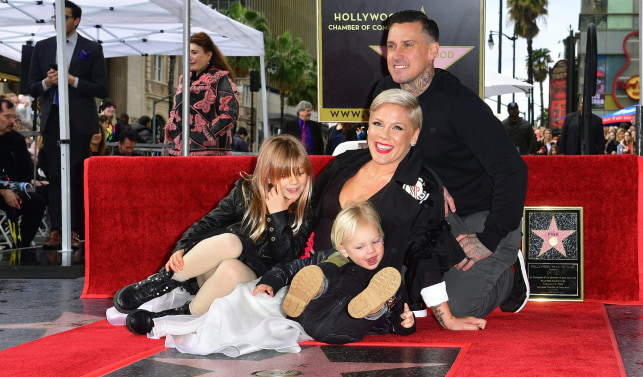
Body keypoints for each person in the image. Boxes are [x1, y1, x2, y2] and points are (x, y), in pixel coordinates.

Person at [373, 11, 529, 322]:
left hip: (479, 218)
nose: (397, 55)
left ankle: (510, 274)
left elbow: (513, 170)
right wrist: (428, 179)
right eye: (391, 46)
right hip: (427, 217)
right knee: (390, 289)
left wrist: (489, 237)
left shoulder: (459, 103)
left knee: (457, 307)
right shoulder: (383, 93)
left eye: (408, 45)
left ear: (432, 51)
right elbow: (382, 157)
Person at [312, 89, 485, 330]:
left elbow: (427, 252)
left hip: (367, 291)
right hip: (314, 277)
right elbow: (308, 217)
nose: (384, 136)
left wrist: (447, 319)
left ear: (414, 135)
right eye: (377, 123)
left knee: (333, 324)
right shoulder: (344, 164)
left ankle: (509, 276)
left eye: (397, 128)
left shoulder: (421, 186)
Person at [113, 134, 314, 335]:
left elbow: (287, 260)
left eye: (300, 172)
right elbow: (209, 223)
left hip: (254, 285)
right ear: (268, 175)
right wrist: (181, 247)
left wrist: (277, 215)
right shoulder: (246, 192)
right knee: (230, 242)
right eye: (285, 174)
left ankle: (182, 315)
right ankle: (161, 282)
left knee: (231, 269)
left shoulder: (305, 212)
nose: (294, 181)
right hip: (208, 274)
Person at [255, 201, 416, 344]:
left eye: (375, 241)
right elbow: (291, 268)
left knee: (370, 309)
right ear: (344, 249)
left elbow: (398, 314)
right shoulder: (332, 257)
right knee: (330, 268)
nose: (371, 251)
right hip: (311, 313)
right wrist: (272, 280)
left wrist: (405, 322)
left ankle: (373, 309)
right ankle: (319, 287)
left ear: (382, 238)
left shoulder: (387, 280)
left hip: (344, 328)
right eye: (360, 247)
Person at [27, 0, 108, 249]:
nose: (58, 21)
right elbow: (30, 87)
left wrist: (73, 81)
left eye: (64, 17)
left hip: (80, 123)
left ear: (76, 20)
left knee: (74, 176)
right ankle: (55, 230)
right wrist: (47, 83)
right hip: (52, 120)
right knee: (54, 176)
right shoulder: (42, 47)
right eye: (55, 17)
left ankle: (74, 230)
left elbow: (102, 87)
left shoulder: (91, 48)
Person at [164, 32, 240, 156]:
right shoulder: (184, 79)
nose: (189, 57)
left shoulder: (219, 78)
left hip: (210, 154)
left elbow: (230, 112)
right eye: (187, 53)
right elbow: (176, 110)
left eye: (194, 52)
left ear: (208, 55)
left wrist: (206, 133)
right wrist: (172, 129)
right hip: (179, 152)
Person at [0, 98, 47, 248]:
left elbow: (24, 174)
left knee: (38, 201)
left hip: (15, 189)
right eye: (7, 117)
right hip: (2, 190)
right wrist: (3, 190)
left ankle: (20, 246)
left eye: (14, 117)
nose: (12, 121)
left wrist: (16, 189)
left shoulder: (17, 140)